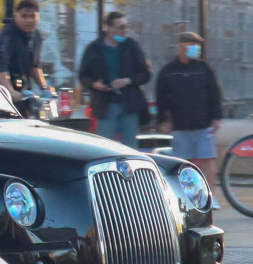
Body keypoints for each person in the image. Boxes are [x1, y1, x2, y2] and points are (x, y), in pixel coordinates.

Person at [76, 11, 153, 146]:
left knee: (130, 148)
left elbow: (145, 74)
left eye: (125, 27)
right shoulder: (94, 48)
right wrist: (95, 85)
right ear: (108, 28)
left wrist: (127, 81)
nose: (124, 31)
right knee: (107, 147)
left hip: (129, 104)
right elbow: (83, 75)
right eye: (120, 27)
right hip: (105, 105)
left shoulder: (132, 46)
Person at [153, 31, 223, 170]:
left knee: (206, 161)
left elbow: (215, 93)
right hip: (180, 127)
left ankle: (208, 192)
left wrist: (217, 117)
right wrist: (163, 120)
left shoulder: (204, 68)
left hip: (204, 126)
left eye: (196, 44)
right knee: (181, 164)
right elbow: (161, 98)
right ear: (181, 46)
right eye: (191, 44)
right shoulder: (168, 71)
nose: (195, 47)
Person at [0, 0, 45, 92]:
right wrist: (9, 91)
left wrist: (44, 88)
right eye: (24, 16)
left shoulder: (37, 36)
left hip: (22, 88)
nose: (29, 20)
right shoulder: (7, 34)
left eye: (32, 16)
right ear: (16, 17)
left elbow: (35, 66)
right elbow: (1, 65)